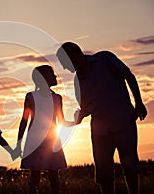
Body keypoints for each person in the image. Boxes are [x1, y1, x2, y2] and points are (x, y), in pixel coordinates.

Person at [56, 42, 148, 194]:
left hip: (123, 122)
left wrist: (139, 102)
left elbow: (128, 75)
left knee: (130, 166)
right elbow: (85, 108)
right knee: (104, 173)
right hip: (99, 132)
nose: (65, 68)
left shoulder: (105, 58)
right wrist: (74, 120)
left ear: (74, 55)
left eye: (65, 63)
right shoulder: (77, 80)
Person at [15, 65, 75, 194]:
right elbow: (24, 121)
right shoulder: (31, 97)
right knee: (36, 175)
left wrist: (77, 120)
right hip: (35, 141)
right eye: (51, 74)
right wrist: (18, 144)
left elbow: (62, 121)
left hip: (52, 141)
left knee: (53, 175)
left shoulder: (57, 98)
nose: (55, 76)